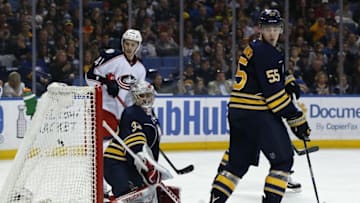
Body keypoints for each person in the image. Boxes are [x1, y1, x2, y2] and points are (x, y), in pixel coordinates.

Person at [209, 9, 311, 203]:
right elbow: (274, 99)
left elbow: (269, 72)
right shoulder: (268, 52)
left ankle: (215, 201)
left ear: (280, 29)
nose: (272, 32)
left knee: (236, 165)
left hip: (237, 112)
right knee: (282, 160)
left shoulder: (255, 47)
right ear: (260, 29)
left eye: (275, 28)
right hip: (257, 113)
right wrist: (296, 119)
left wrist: (287, 78)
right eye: (268, 28)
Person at [103, 80, 175, 202]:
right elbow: (136, 145)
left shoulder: (150, 115)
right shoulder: (131, 113)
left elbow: (149, 145)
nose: (146, 99)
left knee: (146, 196)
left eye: (148, 95)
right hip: (117, 162)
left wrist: (152, 166)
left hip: (132, 165)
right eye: (142, 96)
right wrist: (149, 167)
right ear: (135, 97)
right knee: (132, 196)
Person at [85, 28, 147, 136]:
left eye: (133, 45)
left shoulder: (141, 69)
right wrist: (105, 83)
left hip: (125, 115)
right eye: (127, 44)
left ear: (137, 46)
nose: (129, 48)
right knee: (104, 146)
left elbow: (136, 94)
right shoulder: (110, 57)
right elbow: (89, 76)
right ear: (123, 43)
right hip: (106, 109)